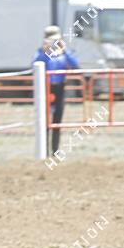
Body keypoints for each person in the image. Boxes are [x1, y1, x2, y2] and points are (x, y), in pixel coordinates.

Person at [32, 26, 79, 154]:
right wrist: (45, 51)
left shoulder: (63, 53)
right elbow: (36, 65)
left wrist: (65, 51)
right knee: (44, 120)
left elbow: (75, 65)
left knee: (57, 120)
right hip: (44, 89)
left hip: (59, 89)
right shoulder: (40, 53)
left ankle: (55, 149)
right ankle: (44, 150)